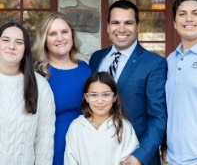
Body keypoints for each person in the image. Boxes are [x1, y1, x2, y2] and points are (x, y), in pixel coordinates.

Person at [89, 0, 167, 165]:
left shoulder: (154, 63)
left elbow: (158, 118)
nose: (122, 29)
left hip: (135, 156)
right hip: (98, 154)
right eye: (116, 22)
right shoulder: (96, 58)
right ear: (108, 27)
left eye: (128, 23)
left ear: (138, 27)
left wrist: (140, 156)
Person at [32, 12, 91, 165]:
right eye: (52, 33)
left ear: (72, 34)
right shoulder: (37, 74)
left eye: (64, 32)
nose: (60, 38)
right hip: (53, 146)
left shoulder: (86, 69)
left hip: (85, 144)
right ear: (44, 39)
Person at [0, 22, 55, 164]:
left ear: (25, 49)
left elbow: (44, 140)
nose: (11, 46)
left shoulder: (40, 85)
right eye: (5, 40)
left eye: (19, 42)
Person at [64, 71, 139, 165]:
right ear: (86, 97)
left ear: (114, 97)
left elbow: (129, 160)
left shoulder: (124, 126)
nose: (100, 101)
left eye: (106, 94)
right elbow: (70, 160)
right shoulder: (76, 127)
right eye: (94, 95)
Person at [161, 0, 197, 165]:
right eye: (182, 14)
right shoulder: (170, 60)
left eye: (196, 13)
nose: (189, 19)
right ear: (175, 23)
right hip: (172, 160)